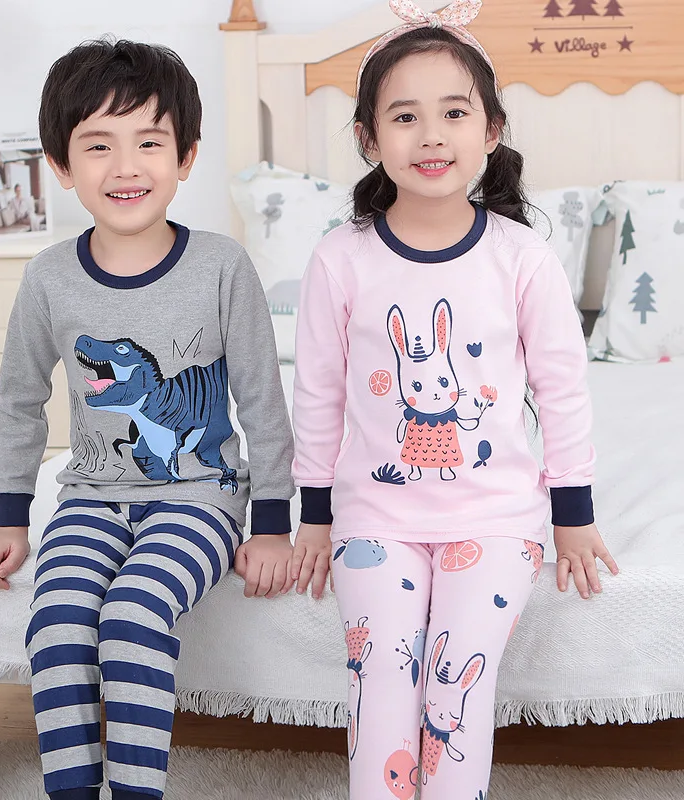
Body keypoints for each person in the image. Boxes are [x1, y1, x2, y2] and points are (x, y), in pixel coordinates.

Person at [289, 1, 620, 798]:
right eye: (405, 116)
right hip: (377, 520)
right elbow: (318, 393)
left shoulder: (522, 257)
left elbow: (562, 388)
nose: (431, 136)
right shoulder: (340, 259)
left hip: (496, 521)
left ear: (491, 130)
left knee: (455, 687)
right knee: (381, 681)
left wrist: (572, 513)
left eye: (454, 113)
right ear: (369, 138)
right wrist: (314, 513)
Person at [0, 39, 295, 800]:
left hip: (200, 497)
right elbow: (18, 399)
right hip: (90, 497)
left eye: (149, 142)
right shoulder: (48, 277)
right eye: (98, 145)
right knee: (57, 621)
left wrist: (272, 523)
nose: (125, 166)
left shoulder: (223, 266)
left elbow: (261, 400)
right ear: (61, 165)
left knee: (134, 614)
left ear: (186, 156)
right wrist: (9, 518)